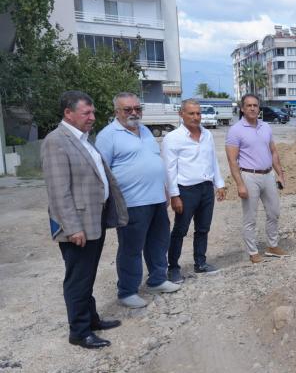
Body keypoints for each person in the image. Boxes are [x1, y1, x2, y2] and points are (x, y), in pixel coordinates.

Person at [42, 91, 128, 349]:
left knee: (87, 273)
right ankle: (79, 331)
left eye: (92, 112)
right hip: (77, 225)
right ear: (68, 113)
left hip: (94, 218)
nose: (92, 117)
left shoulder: (82, 139)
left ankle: (90, 319)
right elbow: (59, 190)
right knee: (78, 277)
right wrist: (72, 227)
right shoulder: (56, 141)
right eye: (86, 113)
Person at [95, 92, 181, 308]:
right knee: (131, 248)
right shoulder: (108, 135)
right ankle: (127, 291)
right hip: (131, 203)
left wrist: (165, 188)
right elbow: (100, 172)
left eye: (137, 108)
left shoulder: (144, 131)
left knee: (159, 242)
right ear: (117, 112)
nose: (134, 113)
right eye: (128, 109)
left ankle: (157, 280)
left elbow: (153, 161)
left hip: (155, 199)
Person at [161, 99, 227, 283]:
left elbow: (212, 160)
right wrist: (174, 195)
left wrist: (219, 183)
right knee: (180, 230)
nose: (196, 117)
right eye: (191, 113)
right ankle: (172, 267)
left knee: (203, 228)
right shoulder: (172, 138)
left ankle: (201, 262)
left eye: (198, 113)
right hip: (185, 191)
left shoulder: (207, 135)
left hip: (206, 188)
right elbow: (169, 169)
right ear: (181, 114)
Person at [225, 93, 286, 263]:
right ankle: (252, 252)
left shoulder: (265, 127)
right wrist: (240, 184)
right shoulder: (236, 130)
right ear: (243, 109)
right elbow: (232, 159)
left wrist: (280, 174)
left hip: (268, 175)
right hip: (249, 176)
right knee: (250, 217)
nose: (252, 108)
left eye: (255, 105)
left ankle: (273, 246)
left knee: (274, 212)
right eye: (249, 105)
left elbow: (273, 152)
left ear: (259, 108)